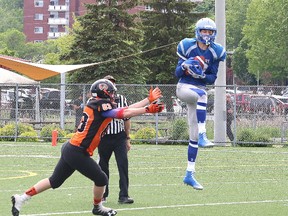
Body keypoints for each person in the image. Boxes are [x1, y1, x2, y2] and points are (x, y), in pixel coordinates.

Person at [11, 78, 164, 216]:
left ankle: (22, 197)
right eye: (111, 92)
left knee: (55, 181)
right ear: (104, 92)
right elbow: (123, 112)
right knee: (101, 178)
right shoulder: (100, 105)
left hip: (71, 147)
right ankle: (97, 207)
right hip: (78, 151)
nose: (113, 95)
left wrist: (147, 101)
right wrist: (147, 109)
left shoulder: (96, 103)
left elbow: (127, 109)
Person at [175, 17, 226, 190]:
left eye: (210, 32)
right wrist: (185, 66)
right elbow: (176, 73)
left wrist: (202, 76)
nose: (207, 34)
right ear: (198, 31)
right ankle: (205, 133)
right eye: (204, 31)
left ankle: (189, 173)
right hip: (184, 88)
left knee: (193, 136)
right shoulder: (187, 46)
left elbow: (212, 77)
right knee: (202, 94)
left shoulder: (215, 52)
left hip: (198, 90)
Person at [97, 75, 133, 204]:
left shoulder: (121, 99)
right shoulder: (97, 100)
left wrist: (127, 138)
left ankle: (124, 195)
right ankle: (102, 194)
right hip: (104, 137)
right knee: (102, 167)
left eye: (112, 84)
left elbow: (127, 119)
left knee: (123, 165)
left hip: (119, 137)